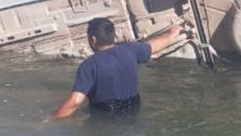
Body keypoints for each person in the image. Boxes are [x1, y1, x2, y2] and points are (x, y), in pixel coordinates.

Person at [52, 17, 184, 119]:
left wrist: (53, 118)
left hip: (106, 117)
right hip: (134, 109)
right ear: (112, 36)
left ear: (93, 40)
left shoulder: (89, 66)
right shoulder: (131, 50)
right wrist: (171, 35)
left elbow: (75, 102)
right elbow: (153, 47)